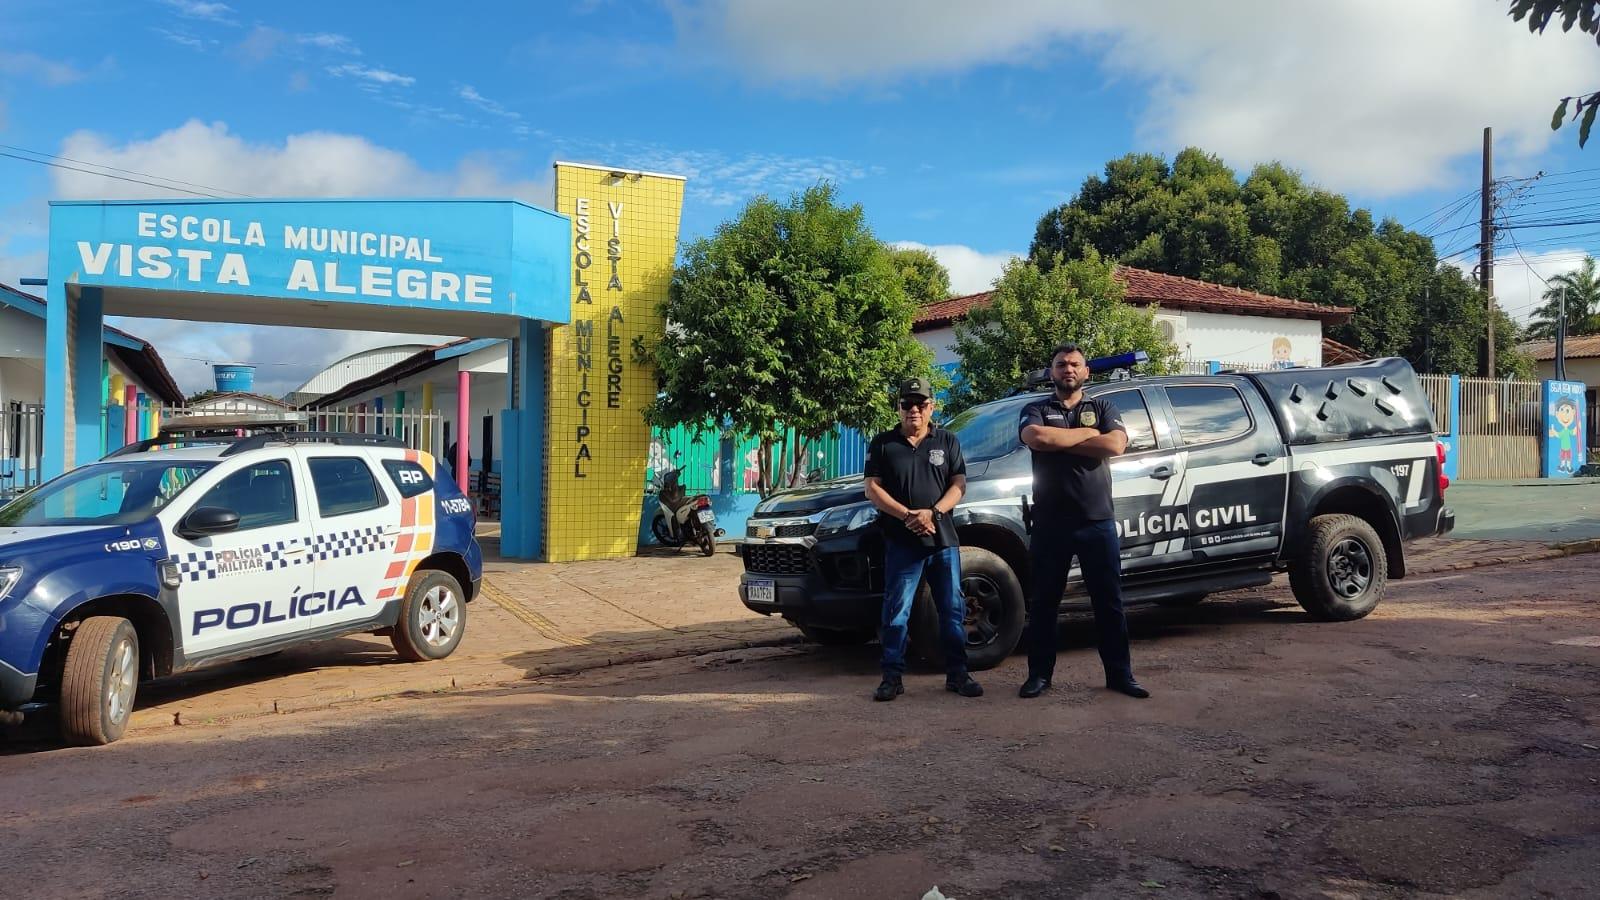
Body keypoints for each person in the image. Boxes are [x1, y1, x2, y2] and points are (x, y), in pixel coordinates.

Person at [1017, 343, 1149, 700]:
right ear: (1052, 371)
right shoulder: (1036, 408)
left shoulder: (1103, 406)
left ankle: (1120, 676)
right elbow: (1036, 437)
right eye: (1061, 364)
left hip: (1096, 521)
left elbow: (1117, 446)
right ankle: (1039, 677)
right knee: (1045, 603)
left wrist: (1061, 442)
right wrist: (1090, 436)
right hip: (1050, 523)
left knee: (1109, 603)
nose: (1068, 369)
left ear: (1086, 372)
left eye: (1075, 364)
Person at [862, 377, 982, 701]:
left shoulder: (947, 441)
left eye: (920, 404)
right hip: (902, 543)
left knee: (951, 609)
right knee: (896, 611)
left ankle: (958, 674)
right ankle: (892, 677)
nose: (913, 409)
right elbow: (872, 488)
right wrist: (907, 516)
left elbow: (959, 484)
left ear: (931, 407)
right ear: (898, 408)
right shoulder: (883, 444)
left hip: (942, 541)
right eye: (906, 404)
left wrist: (933, 513)